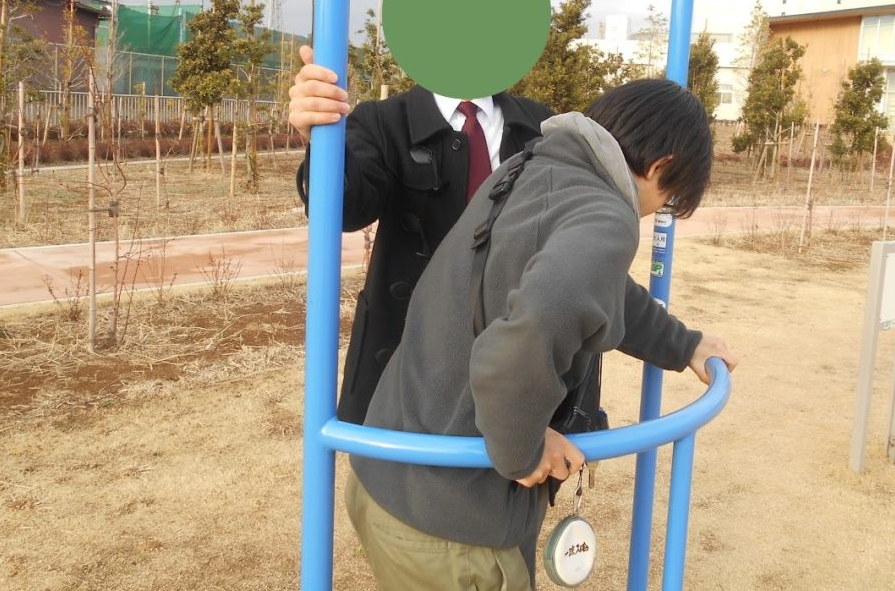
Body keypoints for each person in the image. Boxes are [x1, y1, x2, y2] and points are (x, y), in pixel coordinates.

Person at [345, 78, 737, 591]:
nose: (654, 210)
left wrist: (683, 343)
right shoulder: (605, 214)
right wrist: (524, 448)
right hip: (453, 528)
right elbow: (519, 349)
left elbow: (595, 287)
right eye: (669, 199)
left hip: (388, 472)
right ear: (662, 167)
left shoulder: (530, 166)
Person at [289, 46, 552, 423]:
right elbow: (345, 210)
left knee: (511, 453)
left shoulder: (541, 125)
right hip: (403, 357)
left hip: (514, 358)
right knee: (391, 459)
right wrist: (323, 141)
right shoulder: (382, 121)